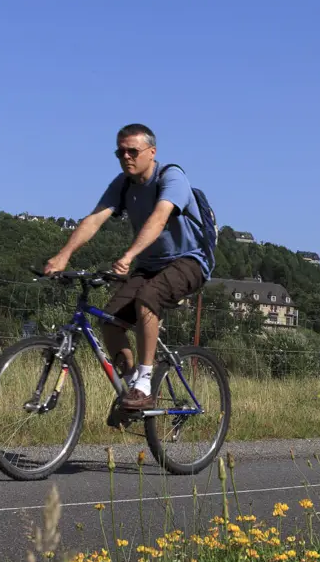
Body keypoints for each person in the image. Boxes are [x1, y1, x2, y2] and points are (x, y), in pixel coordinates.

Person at [44, 124, 212, 414]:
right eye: (120, 152)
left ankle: (145, 382)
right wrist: (63, 255)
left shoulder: (171, 177)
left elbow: (160, 218)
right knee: (110, 321)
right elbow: (95, 219)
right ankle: (131, 386)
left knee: (148, 298)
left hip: (189, 261)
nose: (126, 157)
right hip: (149, 265)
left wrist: (129, 255)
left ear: (152, 152)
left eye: (132, 151)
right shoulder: (122, 184)